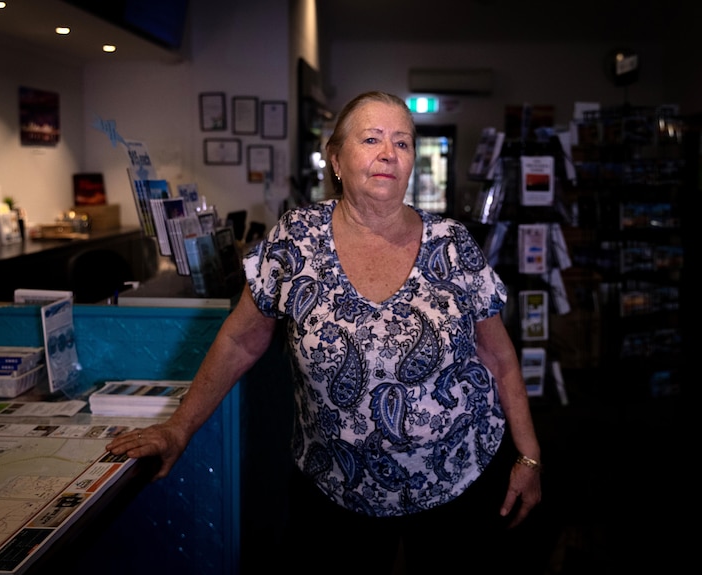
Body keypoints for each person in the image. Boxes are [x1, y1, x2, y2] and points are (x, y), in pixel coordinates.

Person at [107, 90, 542, 573]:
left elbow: (499, 359)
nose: (387, 154)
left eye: (402, 143)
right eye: (371, 138)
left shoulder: (453, 245)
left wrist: (529, 457)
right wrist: (176, 430)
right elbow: (239, 340)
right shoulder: (296, 240)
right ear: (336, 157)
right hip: (336, 487)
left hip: (459, 477)